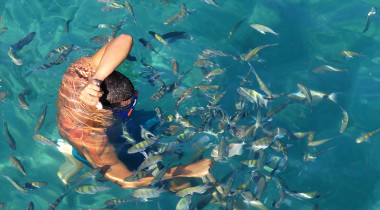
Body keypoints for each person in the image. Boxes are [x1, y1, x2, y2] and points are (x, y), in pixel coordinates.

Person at [56, 34, 213, 189]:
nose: (131, 111)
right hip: (91, 146)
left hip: (99, 117)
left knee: (167, 122)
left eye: (134, 101)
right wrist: (186, 171)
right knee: (179, 185)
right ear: (103, 110)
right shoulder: (93, 138)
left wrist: (96, 79)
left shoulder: (80, 74)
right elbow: (127, 181)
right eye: (126, 110)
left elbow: (124, 38)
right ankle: (75, 157)